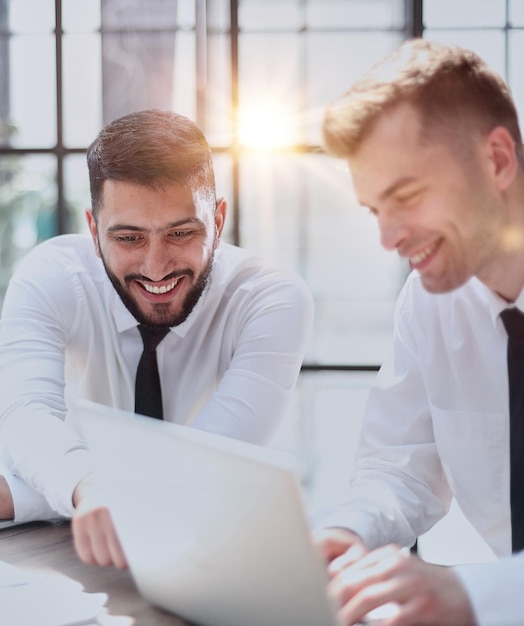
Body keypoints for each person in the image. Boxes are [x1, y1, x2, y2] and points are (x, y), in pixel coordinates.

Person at [0, 109, 314, 568]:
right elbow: (27, 415)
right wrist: (87, 488)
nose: (156, 266)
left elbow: (204, 469)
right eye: (129, 238)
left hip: (210, 550)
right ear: (92, 230)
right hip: (63, 551)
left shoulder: (272, 300)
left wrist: (27, 491)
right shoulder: (52, 276)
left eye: (181, 233)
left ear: (219, 219)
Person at [313, 38, 524, 626]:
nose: (389, 238)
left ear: (498, 161)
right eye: (374, 209)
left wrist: (480, 597)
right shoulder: (431, 302)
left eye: (407, 196)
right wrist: (344, 532)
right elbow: (400, 464)